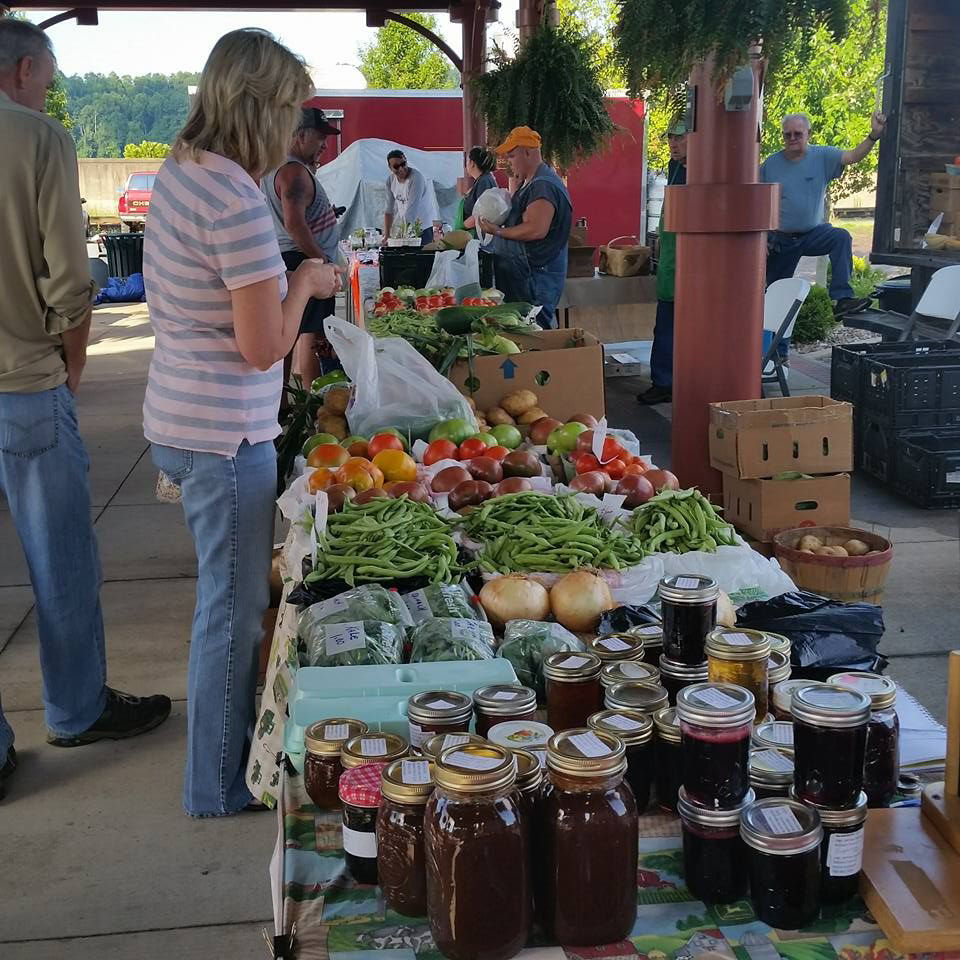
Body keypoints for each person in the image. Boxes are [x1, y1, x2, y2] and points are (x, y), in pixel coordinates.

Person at [142, 28, 341, 817]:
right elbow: (265, 346)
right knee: (230, 617)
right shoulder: (238, 202)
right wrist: (306, 280)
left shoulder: (182, 170)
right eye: (288, 107)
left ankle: (215, 773)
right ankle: (219, 785)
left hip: (180, 415)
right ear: (260, 108)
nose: (295, 125)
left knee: (220, 606)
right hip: (225, 437)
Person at [0, 18, 171, 802]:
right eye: (47, 79)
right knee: (60, 558)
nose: (49, 91)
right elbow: (73, 278)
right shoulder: (36, 139)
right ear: (22, 70)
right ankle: (74, 708)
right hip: (23, 383)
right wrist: (72, 365)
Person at [762, 111, 886, 330]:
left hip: (812, 234)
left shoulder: (823, 157)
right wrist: (762, 238)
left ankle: (843, 299)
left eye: (797, 134)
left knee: (840, 237)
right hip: (780, 239)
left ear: (808, 134)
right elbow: (757, 202)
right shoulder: (771, 165)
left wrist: (873, 136)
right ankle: (771, 347)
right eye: (787, 135)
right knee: (773, 295)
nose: (792, 139)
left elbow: (853, 156)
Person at [263, 104, 342, 387]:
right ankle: (314, 403)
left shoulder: (279, 170)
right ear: (299, 135)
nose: (325, 144)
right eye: (320, 137)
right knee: (311, 334)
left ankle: (285, 403)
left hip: (294, 260)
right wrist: (323, 262)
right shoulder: (294, 172)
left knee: (291, 334)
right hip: (302, 261)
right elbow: (294, 224)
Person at [477, 127, 572, 330]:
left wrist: (497, 231)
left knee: (534, 333)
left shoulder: (543, 185)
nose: (508, 162)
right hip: (523, 278)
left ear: (527, 152)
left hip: (534, 281)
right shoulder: (529, 183)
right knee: (523, 333)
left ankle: (543, 362)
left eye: (511, 156)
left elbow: (536, 229)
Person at [639, 121, 687, 406]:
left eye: (679, 138)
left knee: (676, 328)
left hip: (690, 264)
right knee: (665, 325)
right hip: (670, 258)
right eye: (670, 138)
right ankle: (663, 382)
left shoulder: (701, 169)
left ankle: (670, 381)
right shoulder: (675, 167)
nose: (673, 143)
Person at [384, 149, 442, 245]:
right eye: (396, 166)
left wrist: (398, 236)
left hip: (428, 226)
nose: (401, 169)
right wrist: (386, 235)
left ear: (406, 161)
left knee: (423, 258)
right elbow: (388, 211)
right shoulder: (390, 181)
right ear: (390, 168)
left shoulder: (416, 178)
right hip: (410, 227)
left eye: (403, 164)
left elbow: (411, 211)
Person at [460, 146, 498, 234]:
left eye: (467, 161)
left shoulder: (484, 181)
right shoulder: (482, 180)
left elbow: (482, 213)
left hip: (479, 235)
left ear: (472, 163)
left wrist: (462, 227)